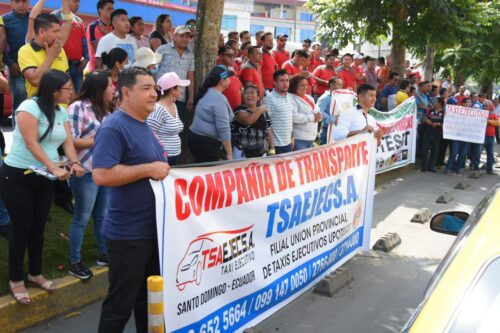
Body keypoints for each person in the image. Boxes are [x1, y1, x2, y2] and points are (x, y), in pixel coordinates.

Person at [93, 67, 169, 332]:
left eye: (155, 88)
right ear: (125, 92)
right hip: (128, 235)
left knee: (147, 301)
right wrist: (148, 169)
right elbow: (101, 174)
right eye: (146, 88)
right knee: (120, 306)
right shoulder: (114, 127)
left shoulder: (142, 124)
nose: (154, 93)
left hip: (151, 232)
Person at [0, 70, 85, 305]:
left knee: (38, 227)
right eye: (68, 88)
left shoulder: (62, 111)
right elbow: (31, 142)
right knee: (21, 229)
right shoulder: (30, 107)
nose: (72, 92)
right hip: (18, 176)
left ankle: (34, 273)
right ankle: (16, 279)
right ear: (54, 90)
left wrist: (74, 162)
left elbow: (67, 141)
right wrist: (54, 167)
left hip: (43, 177)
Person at [67, 71, 115, 280]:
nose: (114, 89)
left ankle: (104, 254)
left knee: (102, 215)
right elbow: (71, 141)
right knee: (82, 218)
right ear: (99, 89)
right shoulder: (77, 107)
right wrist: (101, 139)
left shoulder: (105, 109)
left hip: (103, 170)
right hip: (84, 170)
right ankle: (75, 262)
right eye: (110, 85)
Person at [188, 65, 234, 163]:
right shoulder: (218, 98)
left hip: (196, 138)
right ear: (222, 81)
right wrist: (229, 153)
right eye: (229, 77)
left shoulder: (207, 92)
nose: (231, 79)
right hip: (205, 143)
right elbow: (223, 128)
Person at [18, 13, 69, 98]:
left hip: (62, 109)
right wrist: (51, 57)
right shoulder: (25, 51)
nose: (59, 36)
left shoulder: (60, 50)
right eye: (55, 31)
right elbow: (36, 80)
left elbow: (68, 81)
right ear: (42, 32)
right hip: (38, 108)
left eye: (59, 31)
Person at [147, 72, 189, 166]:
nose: (182, 90)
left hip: (175, 156)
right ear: (173, 90)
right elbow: (149, 134)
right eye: (179, 87)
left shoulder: (174, 105)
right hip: (162, 158)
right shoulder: (158, 109)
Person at [156, 25, 195, 123]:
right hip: (162, 95)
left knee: (176, 126)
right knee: (158, 123)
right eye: (182, 36)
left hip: (180, 97)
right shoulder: (162, 49)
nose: (185, 39)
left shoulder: (190, 54)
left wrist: (190, 97)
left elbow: (190, 76)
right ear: (175, 36)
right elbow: (153, 69)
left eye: (187, 37)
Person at [52, 0, 88, 93]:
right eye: (75, 1)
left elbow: (84, 40)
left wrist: (86, 58)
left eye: (79, 2)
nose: (78, 4)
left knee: (78, 95)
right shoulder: (53, 17)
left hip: (77, 66)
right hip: (61, 64)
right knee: (62, 93)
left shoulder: (79, 20)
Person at [3, 0, 30, 123]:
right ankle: (17, 136)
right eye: (17, 1)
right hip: (15, 68)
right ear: (11, 3)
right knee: (19, 100)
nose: (21, 5)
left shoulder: (34, 19)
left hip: (34, 67)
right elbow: (2, 47)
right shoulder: (4, 20)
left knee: (34, 103)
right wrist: (10, 63)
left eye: (24, 1)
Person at [231, 85, 271, 159]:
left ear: (258, 97)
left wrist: (272, 150)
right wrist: (261, 109)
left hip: (261, 153)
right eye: (246, 93)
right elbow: (249, 121)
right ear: (243, 97)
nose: (249, 95)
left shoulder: (264, 113)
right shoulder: (239, 110)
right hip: (242, 154)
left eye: (252, 92)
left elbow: (269, 130)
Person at [262, 70, 295, 154]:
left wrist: (292, 137)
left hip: (288, 143)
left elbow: (290, 119)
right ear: (275, 83)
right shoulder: (269, 99)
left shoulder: (290, 97)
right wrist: (272, 146)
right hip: (276, 146)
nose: (285, 84)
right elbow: (266, 124)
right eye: (282, 81)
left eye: (287, 80)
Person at [287, 75, 321, 150]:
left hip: (311, 138)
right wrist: (312, 117)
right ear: (294, 86)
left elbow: (315, 111)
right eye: (302, 85)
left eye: (306, 85)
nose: (305, 87)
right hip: (299, 138)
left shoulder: (309, 97)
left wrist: (319, 116)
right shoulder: (290, 98)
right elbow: (294, 117)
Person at [85, 0, 114, 73]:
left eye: (112, 9)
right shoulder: (93, 26)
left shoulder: (115, 27)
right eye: (109, 9)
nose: (112, 11)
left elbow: (119, 47)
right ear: (100, 10)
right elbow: (99, 50)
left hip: (113, 69)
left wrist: (107, 33)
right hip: (97, 69)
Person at [445, 97, 471, 174]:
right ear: (463, 104)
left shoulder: (473, 113)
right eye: (468, 102)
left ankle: (457, 168)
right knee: (454, 153)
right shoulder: (457, 111)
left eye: (470, 103)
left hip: (466, 137)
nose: (470, 104)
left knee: (463, 154)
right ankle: (448, 168)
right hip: (456, 136)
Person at [421, 97, 445, 172]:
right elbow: (424, 119)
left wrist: (438, 123)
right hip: (428, 132)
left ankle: (431, 167)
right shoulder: (430, 111)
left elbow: (446, 124)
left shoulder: (444, 113)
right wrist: (427, 120)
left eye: (436, 101)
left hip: (437, 134)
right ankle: (424, 167)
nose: (434, 103)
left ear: (440, 103)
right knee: (425, 150)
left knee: (434, 151)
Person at [317, 77, 343, 144]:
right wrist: (333, 119)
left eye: (341, 85)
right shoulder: (324, 98)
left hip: (337, 130)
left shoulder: (340, 97)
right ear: (331, 85)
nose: (341, 87)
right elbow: (318, 112)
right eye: (339, 85)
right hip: (326, 130)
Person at [218, 45, 242, 110]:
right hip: (225, 110)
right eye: (229, 55)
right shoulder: (218, 72)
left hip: (236, 110)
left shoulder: (232, 70)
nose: (232, 58)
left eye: (233, 55)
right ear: (221, 56)